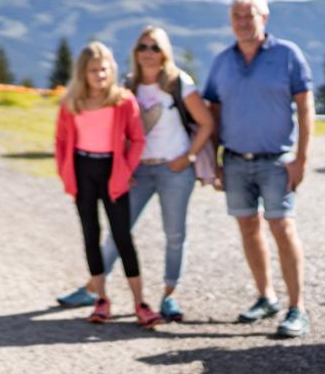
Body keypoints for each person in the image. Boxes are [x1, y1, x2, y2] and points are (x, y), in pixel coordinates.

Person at [54, 27, 214, 322]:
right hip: (137, 170)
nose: (149, 53)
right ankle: (94, 289)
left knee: (174, 234)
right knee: (118, 233)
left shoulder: (179, 84)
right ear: (135, 52)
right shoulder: (130, 86)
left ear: (165, 51)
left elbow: (206, 123)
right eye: (143, 46)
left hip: (173, 169)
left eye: (155, 47)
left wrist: (188, 156)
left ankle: (169, 296)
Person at [203, 0, 313, 338]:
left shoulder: (287, 55)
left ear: (264, 19)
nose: (242, 21)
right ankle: (266, 296)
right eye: (236, 16)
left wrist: (302, 159)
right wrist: (215, 161)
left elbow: (306, 108)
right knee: (248, 227)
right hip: (234, 160)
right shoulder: (222, 61)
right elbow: (214, 114)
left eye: (249, 15)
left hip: (277, 161)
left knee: (282, 227)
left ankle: (298, 308)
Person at [54, 41, 161, 327]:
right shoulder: (71, 103)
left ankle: (140, 302)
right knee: (90, 234)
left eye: (103, 69)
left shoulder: (123, 101)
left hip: (112, 172)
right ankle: (101, 299)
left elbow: (137, 139)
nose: (99, 75)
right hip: (81, 170)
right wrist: (66, 174)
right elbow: (61, 141)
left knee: (122, 237)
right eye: (93, 70)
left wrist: (125, 170)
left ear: (110, 70)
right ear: (83, 73)